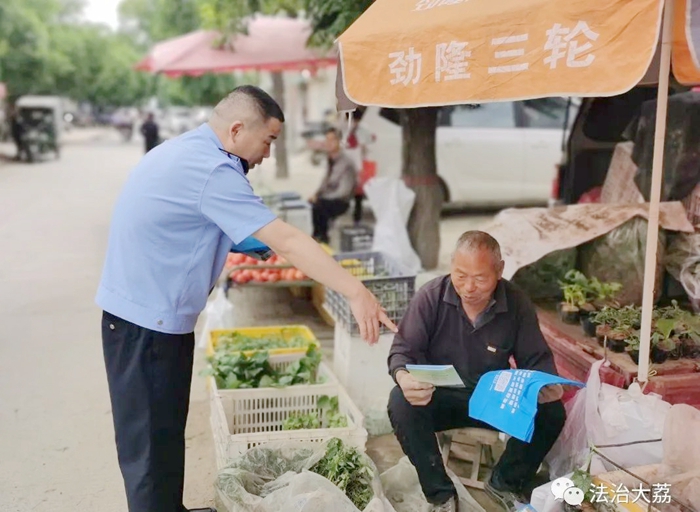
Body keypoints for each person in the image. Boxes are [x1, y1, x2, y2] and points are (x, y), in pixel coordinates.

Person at [96, 85, 396, 512]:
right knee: (147, 447)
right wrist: (356, 291)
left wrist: (235, 242)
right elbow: (289, 240)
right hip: (143, 325)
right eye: (268, 141)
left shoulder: (187, 151)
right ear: (237, 130)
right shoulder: (212, 170)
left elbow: (182, 224)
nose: (268, 155)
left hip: (149, 318)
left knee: (163, 434)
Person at [387, 231, 566, 512]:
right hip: (439, 397)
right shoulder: (431, 297)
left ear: (499, 270)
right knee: (400, 401)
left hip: (492, 400)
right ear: (451, 266)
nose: (469, 287)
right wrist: (404, 378)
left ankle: (506, 481)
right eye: (460, 275)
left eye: (480, 278)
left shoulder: (516, 303)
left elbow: (537, 359)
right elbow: (402, 350)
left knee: (552, 411)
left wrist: (544, 384)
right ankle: (440, 495)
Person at [308, 127, 357, 244]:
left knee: (320, 206)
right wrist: (316, 194)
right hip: (329, 199)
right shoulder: (331, 160)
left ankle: (322, 239)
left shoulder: (346, 163)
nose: (328, 143)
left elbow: (344, 192)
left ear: (339, 142)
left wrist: (322, 198)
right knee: (314, 204)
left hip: (341, 201)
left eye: (332, 140)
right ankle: (317, 237)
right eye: (326, 140)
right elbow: (325, 183)